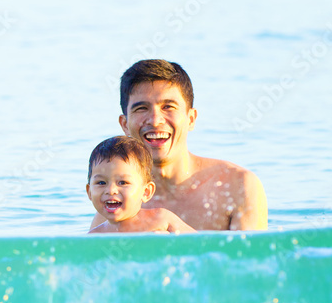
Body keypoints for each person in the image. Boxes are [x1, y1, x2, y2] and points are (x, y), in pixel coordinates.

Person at [90, 59, 268, 231]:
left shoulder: (237, 187)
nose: (155, 121)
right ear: (125, 125)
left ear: (191, 119)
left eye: (168, 107)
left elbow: (252, 252)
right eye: (142, 108)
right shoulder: (115, 206)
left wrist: (170, 224)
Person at [87, 136, 195, 234]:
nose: (111, 190)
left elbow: (200, 242)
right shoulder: (94, 237)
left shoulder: (161, 220)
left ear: (146, 192)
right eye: (101, 183)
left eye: (123, 183)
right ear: (89, 192)